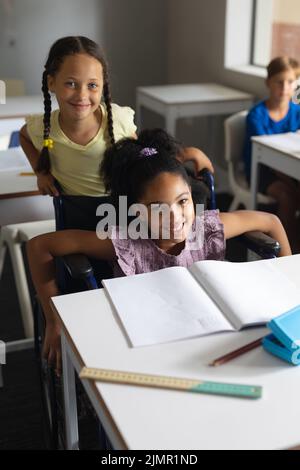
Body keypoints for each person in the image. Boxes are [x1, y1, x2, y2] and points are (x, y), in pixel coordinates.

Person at [27, 129, 291, 375]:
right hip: (147, 348)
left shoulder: (206, 228)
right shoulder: (126, 243)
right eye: (157, 207)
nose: (174, 217)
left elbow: (271, 222)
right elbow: (39, 246)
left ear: (191, 194)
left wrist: (292, 287)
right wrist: (53, 319)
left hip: (214, 343)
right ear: (136, 211)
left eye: (182, 201)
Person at [20, 36, 213, 197]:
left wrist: (188, 153)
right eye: (71, 84)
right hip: (76, 221)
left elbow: (146, 160)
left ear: (103, 85)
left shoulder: (118, 120)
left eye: (92, 85)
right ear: (52, 83)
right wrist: (41, 173)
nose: (82, 95)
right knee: (38, 245)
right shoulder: (43, 128)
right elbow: (24, 136)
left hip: (123, 220)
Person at [244, 56, 300, 252]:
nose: (285, 87)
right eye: (279, 82)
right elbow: (268, 157)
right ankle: (285, 248)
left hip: (290, 170)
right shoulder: (256, 115)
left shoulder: (297, 111)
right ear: (269, 83)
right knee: (288, 196)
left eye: (290, 82)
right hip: (261, 171)